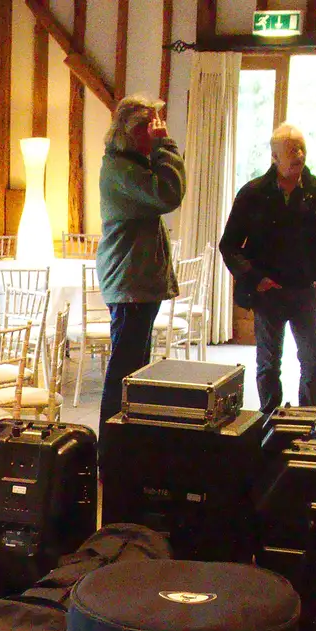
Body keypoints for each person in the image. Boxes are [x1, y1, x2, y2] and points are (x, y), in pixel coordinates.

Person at [218, 123, 316, 413]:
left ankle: (306, 420)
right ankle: (270, 422)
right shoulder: (253, 193)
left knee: (313, 363)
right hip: (268, 292)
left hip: (306, 292)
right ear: (274, 157)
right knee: (268, 363)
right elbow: (230, 246)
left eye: (301, 148)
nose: (299, 155)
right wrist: (254, 278)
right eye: (291, 150)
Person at [96, 94, 186, 440]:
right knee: (124, 370)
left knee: (133, 368)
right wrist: (166, 146)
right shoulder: (120, 169)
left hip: (136, 282)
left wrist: (160, 147)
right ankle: (110, 450)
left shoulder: (129, 163)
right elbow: (168, 193)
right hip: (129, 282)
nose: (156, 132)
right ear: (133, 131)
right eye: (151, 126)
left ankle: (125, 445)